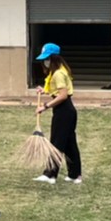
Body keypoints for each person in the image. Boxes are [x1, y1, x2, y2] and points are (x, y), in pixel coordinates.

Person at [34, 42, 82, 184]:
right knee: (69, 143)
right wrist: (44, 90)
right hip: (66, 110)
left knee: (57, 142)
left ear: (54, 58)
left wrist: (45, 106)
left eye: (47, 58)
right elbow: (56, 90)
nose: (45, 62)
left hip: (64, 111)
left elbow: (63, 96)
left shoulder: (58, 74)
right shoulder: (57, 72)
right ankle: (75, 175)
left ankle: (50, 174)